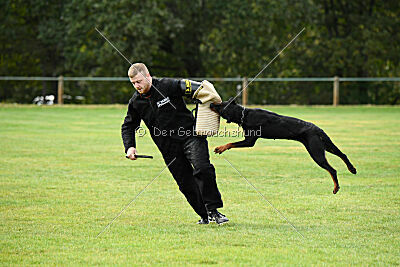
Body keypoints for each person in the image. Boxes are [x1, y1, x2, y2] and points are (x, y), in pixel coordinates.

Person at [121, 63, 228, 224]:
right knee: (185, 183)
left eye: (139, 81)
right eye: (133, 83)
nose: (137, 86)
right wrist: (130, 146)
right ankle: (204, 215)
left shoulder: (167, 85)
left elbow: (197, 89)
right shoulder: (136, 102)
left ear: (147, 76)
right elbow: (128, 125)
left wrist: (211, 98)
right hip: (168, 148)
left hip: (190, 136)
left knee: (203, 168)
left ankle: (214, 211)